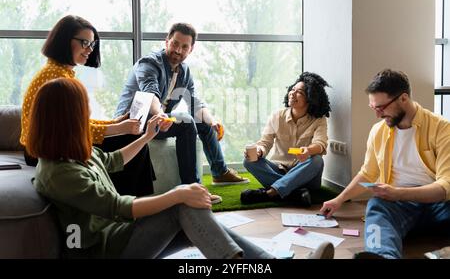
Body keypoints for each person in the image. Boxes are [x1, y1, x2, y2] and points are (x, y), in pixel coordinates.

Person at [28, 77, 273, 259]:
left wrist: (146, 137)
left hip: (118, 235)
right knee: (181, 204)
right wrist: (177, 193)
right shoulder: (60, 173)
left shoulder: (72, 152)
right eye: (84, 109)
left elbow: (113, 160)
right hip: (104, 250)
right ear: (67, 118)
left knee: (190, 212)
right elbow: (119, 207)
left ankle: (260, 260)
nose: (89, 113)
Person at [320, 69, 450, 259]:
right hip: (399, 206)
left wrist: (397, 193)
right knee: (377, 205)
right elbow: (368, 173)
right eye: (373, 108)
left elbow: (446, 187)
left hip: (439, 204)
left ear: (403, 98)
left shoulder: (442, 128)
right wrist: (339, 199)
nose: (378, 115)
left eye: (381, 108)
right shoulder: (378, 131)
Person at [20, 15, 155, 197]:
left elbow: (77, 121)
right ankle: (131, 202)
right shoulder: (56, 78)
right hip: (43, 149)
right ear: (64, 41)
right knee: (129, 140)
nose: (89, 49)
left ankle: (134, 199)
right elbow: (72, 129)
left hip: (50, 143)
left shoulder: (60, 72)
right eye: (85, 42)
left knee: (129, 139)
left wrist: (113, 123)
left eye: (92, 44)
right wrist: (118, 128)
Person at [115, 22, 249, 202]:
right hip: (136, 121)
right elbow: (150, 93)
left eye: (184, 46)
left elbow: (194, 102)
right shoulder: (149, 63)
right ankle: (192, 189)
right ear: (167, 41)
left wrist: (212, 121)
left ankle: (219, 172)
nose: (178, 50)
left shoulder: (184, 71)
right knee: (186, 122)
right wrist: (160, 115)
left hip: (160, 120)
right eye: (175, 44)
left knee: (203, 122)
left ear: (191, 49)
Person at [240, 72, 330, 206]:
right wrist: (259, 151)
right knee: (249, 161)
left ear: (310, 99)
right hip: (279, 169)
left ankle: (270, 193)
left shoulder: (319, 120)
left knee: (317, 160)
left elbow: (320, 144)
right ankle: (294, 193)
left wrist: (308, 150)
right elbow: (265, 142)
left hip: (305, 176)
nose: (293, 93)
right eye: (292, 89)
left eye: (299, 92)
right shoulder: (277, 116)